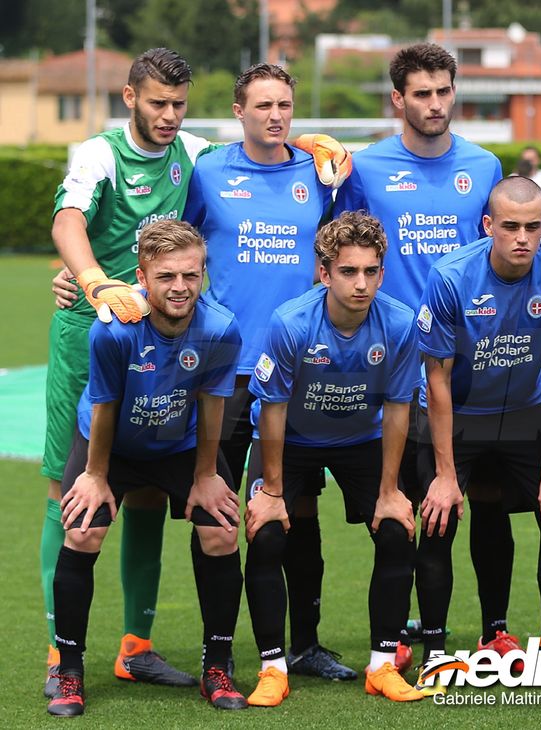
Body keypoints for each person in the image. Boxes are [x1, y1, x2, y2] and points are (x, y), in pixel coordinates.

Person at [335, 42, 519, 668]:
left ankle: (495, 628)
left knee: (485, 500)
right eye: (422, 93)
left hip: (473, 366)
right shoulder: (363, 168)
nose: (435, 104)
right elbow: (338, 250)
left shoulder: (485, 165)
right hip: (391, 364)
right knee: (407, 507)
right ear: (399, 99)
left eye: (444, 91)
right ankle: (415, 630)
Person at [181, 63, 356, 684]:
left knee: (296, 510)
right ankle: (218, 653)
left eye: (284, 104)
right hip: (225, 374)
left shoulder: (320, 173)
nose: (275, 115)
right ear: (239, 111)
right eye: (262, 106)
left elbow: (349, 247)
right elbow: (168, 243)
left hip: (301, 370)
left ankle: (303, 646)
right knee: (221, 513)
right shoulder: (208, 172)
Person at [45, 48, 210, 697]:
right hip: (87, 337)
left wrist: (306, 140)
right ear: (129, 97)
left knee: (143, 490)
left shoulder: (194, 151)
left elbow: (256, 163)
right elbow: (67, 220)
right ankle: (64, 657)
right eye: (158, 103)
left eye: (179, 104)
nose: (169, 116)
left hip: (159, 344)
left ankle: (135, 648)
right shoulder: (98, 154)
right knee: (73, 498)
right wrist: (90, 281)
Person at [47, 220, 246, 716]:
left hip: (178, 443)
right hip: (109, 445)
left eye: (190, 276)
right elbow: (104, 406)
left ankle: (217, 666)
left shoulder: (221, 327)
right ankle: (68, 671)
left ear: (203, 274)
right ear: (142, 276)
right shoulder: (114, 329)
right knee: (83, 531)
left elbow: (213, 404)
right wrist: (94, 476)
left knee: (221, 530)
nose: (180, 288)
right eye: (166, 277)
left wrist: (205, 476)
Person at [242, 211, 424, 705]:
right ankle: (273, 668)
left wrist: (389, 493)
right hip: (292, 439)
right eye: (348, 271)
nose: (360, 283)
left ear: (382, 273)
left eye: (370, 271)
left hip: (360, 441)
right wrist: (274, 492)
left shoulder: (402, 323)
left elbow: (398, 408)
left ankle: (383, 665)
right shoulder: (291, 322)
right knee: (266, 534)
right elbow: (272, 411)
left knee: (396, 529)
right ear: (324, 273)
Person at [414, 177, 541, 669]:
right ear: (489, 226)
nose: (522, 238)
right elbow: (437, 380)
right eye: (510, 226)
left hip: (524, 413)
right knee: (438, 520)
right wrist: (446, 477)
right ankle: (435, 652)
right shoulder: (450, 277)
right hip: (456, 415)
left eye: (533, 227)